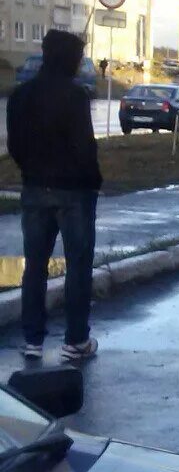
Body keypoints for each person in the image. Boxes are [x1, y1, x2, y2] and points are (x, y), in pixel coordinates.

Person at [7, 30, 102, 361]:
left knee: (35, 267)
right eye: (78, 57)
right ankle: (76, 341)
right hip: (74, 192)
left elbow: (15, 146)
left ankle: (33, 339)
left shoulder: (20, 96)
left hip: (34, 188)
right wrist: (92, 180)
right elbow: (83, 147)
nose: (79, 65)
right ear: (68, 58)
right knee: (78, 266)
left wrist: (32, 171)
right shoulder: (75, 97)